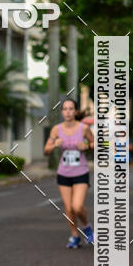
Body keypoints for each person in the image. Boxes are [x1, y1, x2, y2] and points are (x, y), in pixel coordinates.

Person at [44, 98, 94, 248]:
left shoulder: (83, 128)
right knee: (69, 208)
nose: (68, 112)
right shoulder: (56, 130)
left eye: (71, 108)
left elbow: (95, 143)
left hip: (80, 172)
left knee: (77, 206)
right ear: (62, 112)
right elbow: (46, 150)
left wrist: (85, 145)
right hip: (64, 173)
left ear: (76, 111)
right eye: (65, 109)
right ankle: (74, 236)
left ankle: (87, 227)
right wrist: (54, 146)